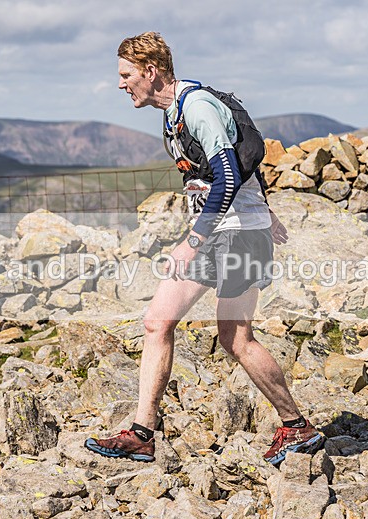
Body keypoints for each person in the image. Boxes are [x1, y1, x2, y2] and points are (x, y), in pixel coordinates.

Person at [85, 31, 323, 466]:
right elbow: (236, 165)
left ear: (150, 71)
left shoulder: (196, 107)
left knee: (235, 338)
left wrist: (194, 240)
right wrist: (261, 211)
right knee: (157, 322)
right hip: (224, 230)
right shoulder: (173, 111)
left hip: (234, 235)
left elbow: (230, 174)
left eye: (126, 75)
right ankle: (142, 434)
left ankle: (296, 425)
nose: (121, 84)